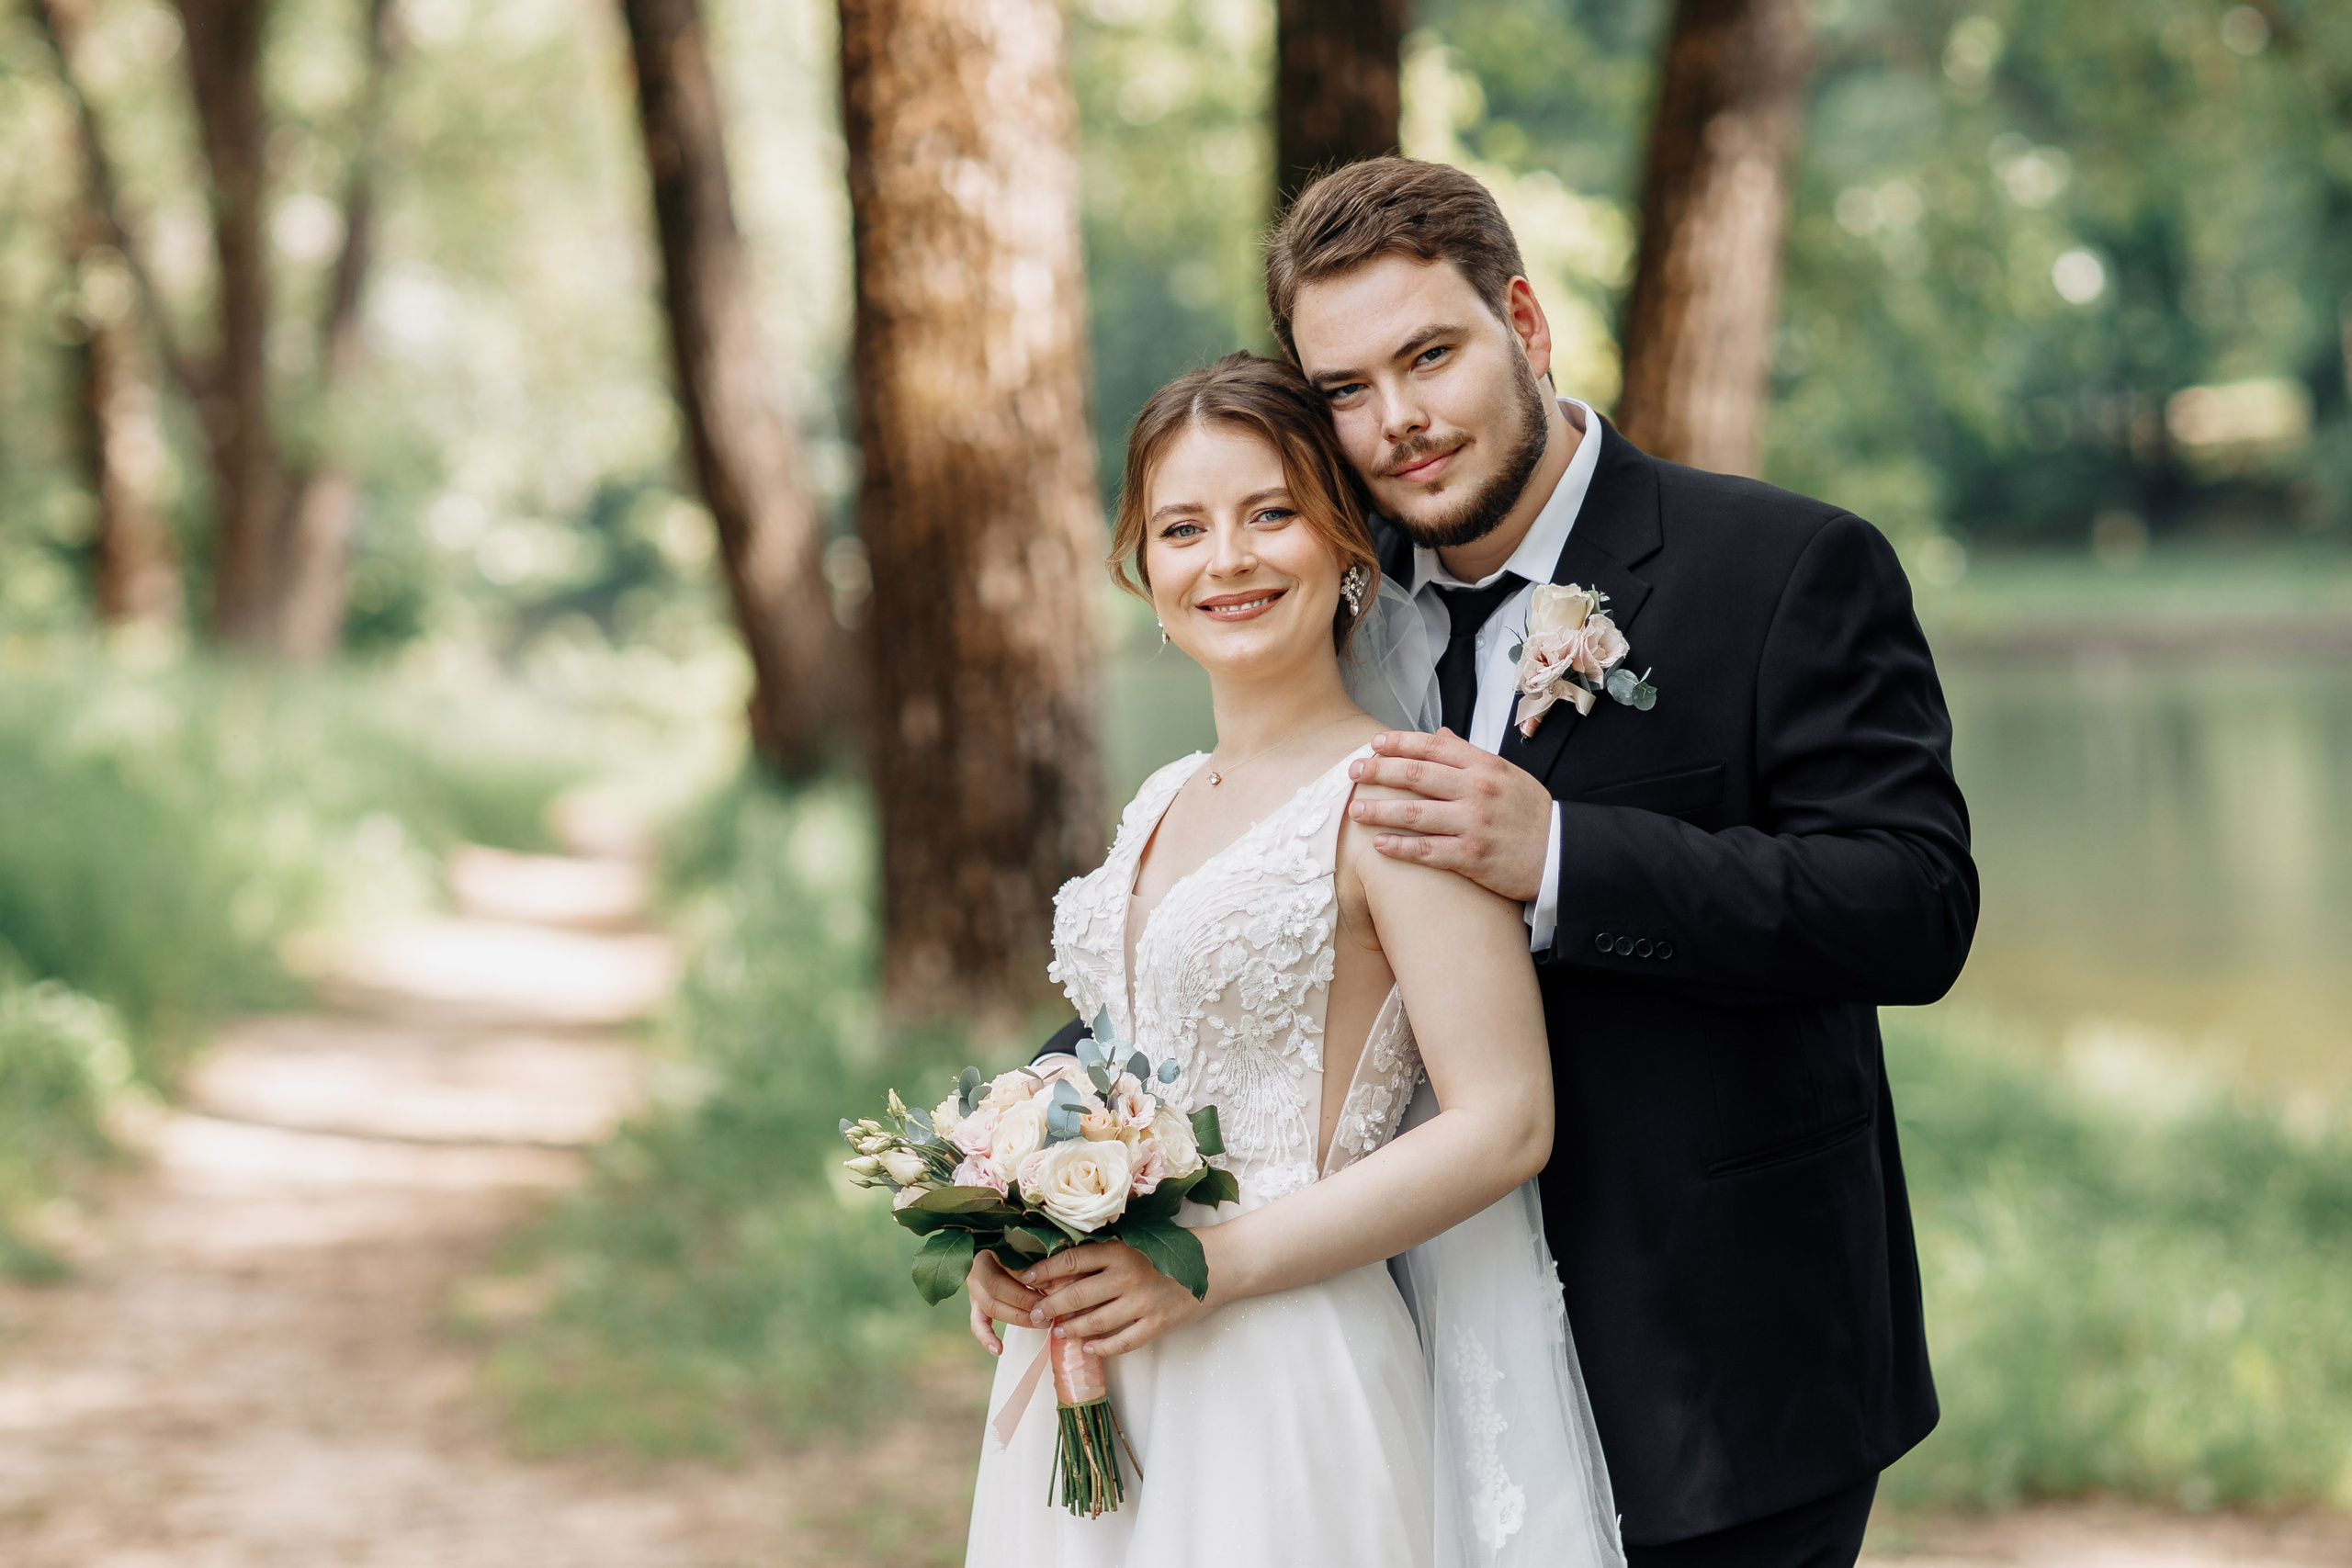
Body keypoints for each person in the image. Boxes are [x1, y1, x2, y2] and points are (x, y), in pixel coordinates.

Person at [1010, 157, 1978, 1568]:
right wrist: (1024, 1166)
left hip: (1712, 1367)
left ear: (1523, 323)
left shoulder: (1779, 570)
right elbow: (1244, 929)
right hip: (1381, 1355)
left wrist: (1567, 856)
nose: (1396, 421)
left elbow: (1913, 906)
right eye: (1346, 389)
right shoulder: (1324, 587)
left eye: (1430, 357)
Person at [961, 352, 1623, 1567]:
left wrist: (1212, 1265)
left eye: (1271, 514)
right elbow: (1128, 1069)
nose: (1229, 559)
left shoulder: (1401, 797)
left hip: (1280, 1364)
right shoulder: (1164, 797)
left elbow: (1506, 1122)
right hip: (1104, 1364)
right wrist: (1021, 1235)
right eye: (1183, 528)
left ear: (1347, 544)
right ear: (1145, 570)